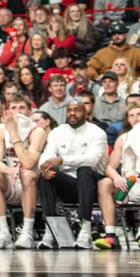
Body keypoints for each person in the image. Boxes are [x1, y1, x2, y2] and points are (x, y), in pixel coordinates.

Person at [37, 100, 108, 249]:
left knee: (84, 170)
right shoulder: (58, 132)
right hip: (69, 186)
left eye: (77, 110)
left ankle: (86, 231)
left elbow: (92, 160)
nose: (72, 114)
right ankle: (50, 230)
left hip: (93, 187)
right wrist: (44, 167)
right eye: (69, 110)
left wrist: (62, 160)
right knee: (47, 176)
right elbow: (47, 153)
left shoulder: (97, 132)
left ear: (86, 113)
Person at [95, 102, 140, 249]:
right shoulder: (122, 139)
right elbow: (109, 167)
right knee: (104, 183)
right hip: (128, 184)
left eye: (139, 114)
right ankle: (110, 235)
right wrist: (116, 177)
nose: (135, 119)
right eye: (132, 115)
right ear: (128, 120)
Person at [0, 95, 46, 249]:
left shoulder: (37, 131)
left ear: (30, 111)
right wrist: (9, 170)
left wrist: (13, 132)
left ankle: (27, 233)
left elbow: (28, 163)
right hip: (13, 181)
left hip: (34, 185)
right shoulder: (0, 129)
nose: (17, 112)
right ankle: (3, 233)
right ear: (8, 111)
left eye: (21, 108)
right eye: (13, 108)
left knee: (26, 174)